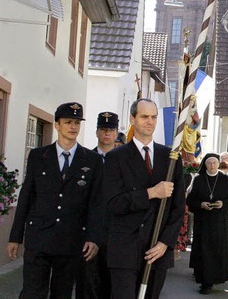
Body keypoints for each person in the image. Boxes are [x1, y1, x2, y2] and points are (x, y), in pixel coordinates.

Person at [7, 102, 103, 298]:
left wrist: (93, 238)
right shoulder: (38, 156)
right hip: (39, 238)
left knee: (62, 292)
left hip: (71, 240)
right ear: (57, 125)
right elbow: (26, 197)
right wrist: (15, 237)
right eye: (68, 122)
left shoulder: (91, 160)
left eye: (77, 122)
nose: (73, 127)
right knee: (32, 293)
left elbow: (96, 203)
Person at [103, 98, 185, 299]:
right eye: (144, 116)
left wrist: (165, 243)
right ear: (132, 119)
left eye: (154, 117)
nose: (150, 121)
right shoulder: (116, 157)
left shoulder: (171, 157)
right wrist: (151, 193)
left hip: (157, 249)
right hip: (125, 249)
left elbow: (178, 206)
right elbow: (112, 203)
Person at [81, 111, 119, 299]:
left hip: (116, 231)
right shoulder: (84, 159)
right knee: (86, 281)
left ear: (116, 132)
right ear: (97, 132)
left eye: (111, 130)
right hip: (89, 229)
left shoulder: (124, 159)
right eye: (103, 129)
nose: (107, 134)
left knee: (111, 282)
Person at [186, 153, 228, 294]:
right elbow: (190, 200)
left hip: (220, 222)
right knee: (204, 251)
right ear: (205, 165)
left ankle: (216, 278)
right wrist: (201, 204)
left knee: (217, 250)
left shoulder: (226, 179)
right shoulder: (199, 179)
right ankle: (204, 282)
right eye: (209, 163)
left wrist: (223, 203)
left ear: (218, 164)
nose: (212, 165)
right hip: (203, 222)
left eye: (214, 163)